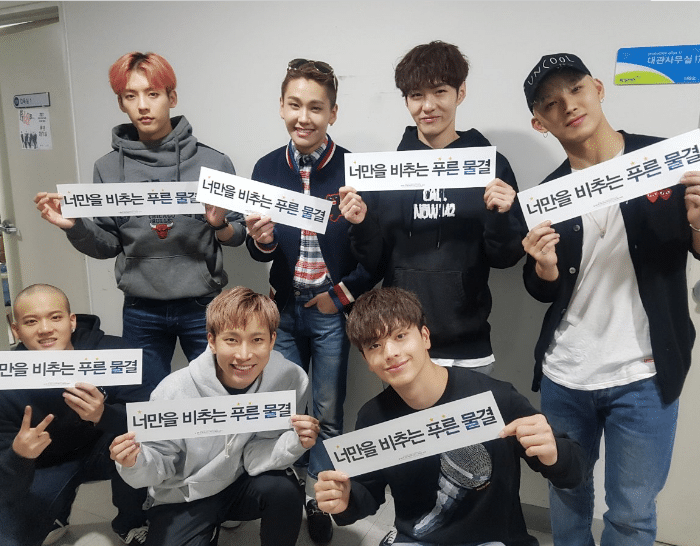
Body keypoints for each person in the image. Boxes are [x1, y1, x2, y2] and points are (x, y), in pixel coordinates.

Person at [520, 53, 700, 546]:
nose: (568, 106)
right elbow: (542, 288)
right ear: (539, 122)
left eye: (576, 90)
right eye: (551, 103)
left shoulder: (666, 162)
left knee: (632, 514)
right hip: (565, 374)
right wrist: (543, 267)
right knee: (567, 498)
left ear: (597, 88)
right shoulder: (548, 195)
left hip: (645, 375)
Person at [34, 51, 245, 391]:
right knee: (144, 397)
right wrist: (75, 226)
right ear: (121, 103)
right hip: (141, 307)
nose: (143, 106)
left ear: (171, 97)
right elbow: (107, 245)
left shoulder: (213, 162)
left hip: (203, 304)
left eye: (153, 93)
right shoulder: (107, 168)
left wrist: (220, 224)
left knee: (217, 392)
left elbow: (237, 235)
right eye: (131, 96)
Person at [314, 287, 585, 546]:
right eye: (374, 345)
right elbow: (367, 494)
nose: (391, 353)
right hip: (417, 540)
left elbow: (574, 472)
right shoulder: (373, 418)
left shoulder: (495, 398)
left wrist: (554, 453)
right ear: (366, 361)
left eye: (400, 336)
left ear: (425, 337)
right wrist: (344, 500)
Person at [245, 58, 376, 544]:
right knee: (282, 408)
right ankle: (286, 493)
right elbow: (260, 249)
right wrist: (260, 240)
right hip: (282, 309)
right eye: (295, 105)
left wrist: (337, 297)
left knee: (326, 411)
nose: (304, 117)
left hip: (329, 312)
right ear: (281, 107)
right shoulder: (265, 168)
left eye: (316, 108)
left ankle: (319, 499)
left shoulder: (353, 170)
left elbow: (374, 255)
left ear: (332, 113)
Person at [339, 41, 525, 376]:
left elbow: (505, 257)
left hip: (469, 344)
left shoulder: (491, 166)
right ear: (406, 100)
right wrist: (361, 223)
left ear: (460, 92)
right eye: (416, 95)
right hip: (400, 343)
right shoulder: (387, 173)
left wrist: (500, 216)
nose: (428, 106)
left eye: (440, 92)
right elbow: (374, 262)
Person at [109, 286, 320, 546]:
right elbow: (160, 463)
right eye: (231, 340)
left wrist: (295, 442)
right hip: (185, 493)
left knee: (285, 490)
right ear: (212, 341)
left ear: (272, 340)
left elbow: (257, 453)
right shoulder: (172, 391)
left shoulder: (290, 378)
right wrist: (134, 462)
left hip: (241, 482)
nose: (244, 355)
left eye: (257, 340)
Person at [0, 284, 150, 546]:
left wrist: (103, 414)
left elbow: (148, 417)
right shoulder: (8, 379)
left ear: (71, 321)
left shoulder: (113, 352)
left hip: (106, 447)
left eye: (55, 317)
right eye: (31, 321)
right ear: (16, 330)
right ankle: (57, 514)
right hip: (48, 462)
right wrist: (19, 454)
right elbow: (4, 478)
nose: (45, 329)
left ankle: (131, 520)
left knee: (134, 442)